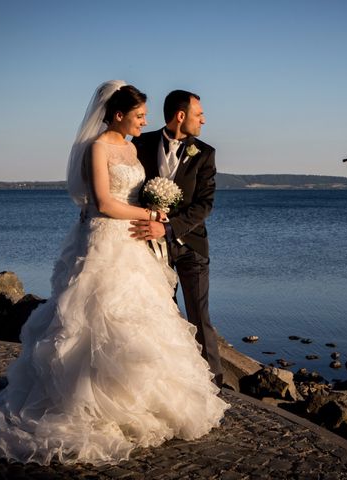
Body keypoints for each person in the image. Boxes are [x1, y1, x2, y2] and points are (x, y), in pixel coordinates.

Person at [0, 81, 229, 466]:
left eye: (145, 116)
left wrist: (163, 222)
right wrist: (152, 215)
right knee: (93, 320)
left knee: (153, 320)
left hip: (153, 245)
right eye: (138, 115)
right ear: (118, 113)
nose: (144, 120)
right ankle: (89, 399)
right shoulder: (102, 147)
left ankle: (175, 392)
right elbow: (104, 202)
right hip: (110, 241)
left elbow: (198, 202)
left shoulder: (145, 147)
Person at [130, 90, 223, 387]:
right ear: (181, 116)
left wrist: (169, 229)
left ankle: (214, 383)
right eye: (199, 115)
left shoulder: (205, 153)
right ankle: (170, 383)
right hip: (150, 248)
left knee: (199, 318)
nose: (204, 120)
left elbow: (204, 205)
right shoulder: (141, 144)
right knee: (163, 317)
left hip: (191, 247)